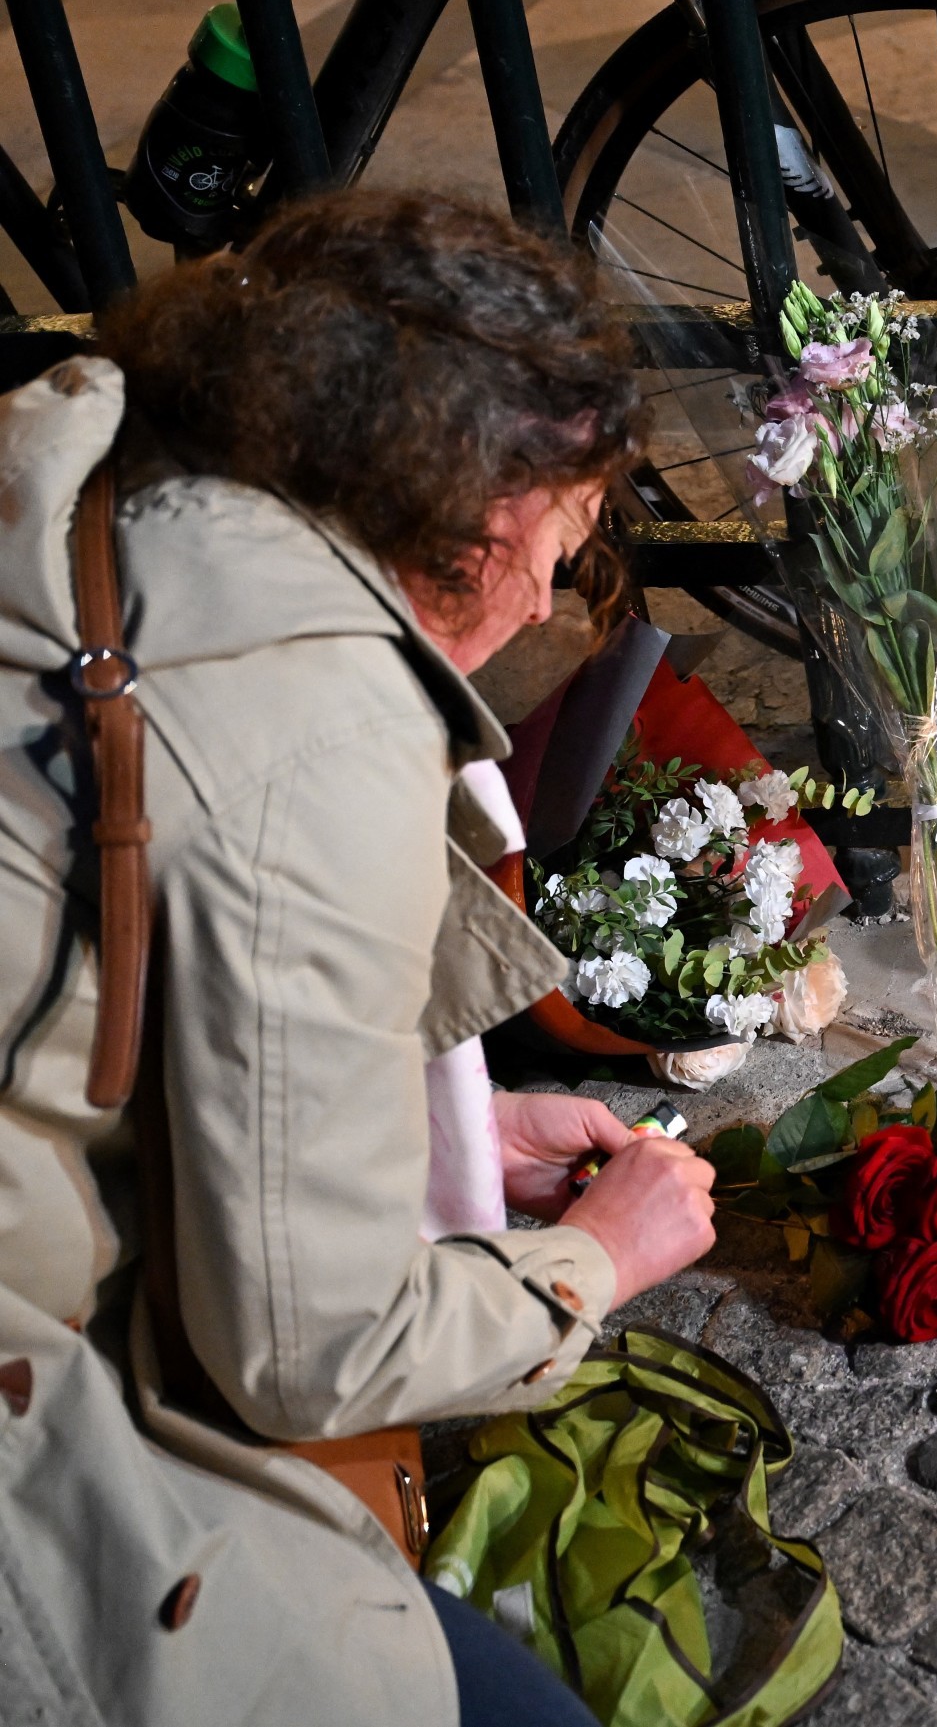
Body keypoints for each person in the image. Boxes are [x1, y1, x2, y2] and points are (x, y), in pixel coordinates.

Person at [0, 189, 719, 1725]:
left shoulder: (102, 479)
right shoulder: (323, 729)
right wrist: (593, 1261)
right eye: (571, 540)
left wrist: (445, 1130)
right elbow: (307, 1349)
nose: (547, 602)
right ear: (483, 510)